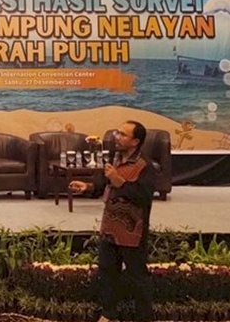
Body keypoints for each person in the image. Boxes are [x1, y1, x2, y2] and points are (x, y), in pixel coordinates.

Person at [69, 120, 156, 322]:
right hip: (110, 227)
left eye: (123, 134)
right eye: (118, 133)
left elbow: (144, 195)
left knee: (137, 276)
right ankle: (109, 314)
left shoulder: (145, 165)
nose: (117, 137)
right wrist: (88, 187)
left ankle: (144, 317)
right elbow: (104, 183)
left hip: (132, 231)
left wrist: (120, 182)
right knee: (107, 272)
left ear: (135, 141)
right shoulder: (114, 157)